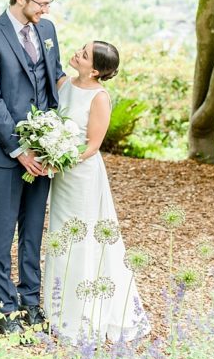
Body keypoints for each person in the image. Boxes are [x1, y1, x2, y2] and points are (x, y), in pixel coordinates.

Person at [0, 0, 65, 335]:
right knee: (3, 229)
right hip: (4, 154)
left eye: (49, 2)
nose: (46, 10)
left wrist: (56, 140)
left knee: (33, 230)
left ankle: (30, 301)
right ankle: (4, 307)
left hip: (44, 152)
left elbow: (53, 81)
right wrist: (19, 148)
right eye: (41, 3)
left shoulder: (48, 30)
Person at [43, 40, 150, 342]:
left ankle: (82, 314)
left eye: (85, 54)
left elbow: (92, 145)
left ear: (96, 70)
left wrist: (59, 160)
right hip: (61, 176)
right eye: (81, 49)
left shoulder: (100, 97)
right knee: (59, 235)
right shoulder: (64, 83)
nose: (77, 54)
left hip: (81, 176)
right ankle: (57, 309)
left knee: (82, 238)